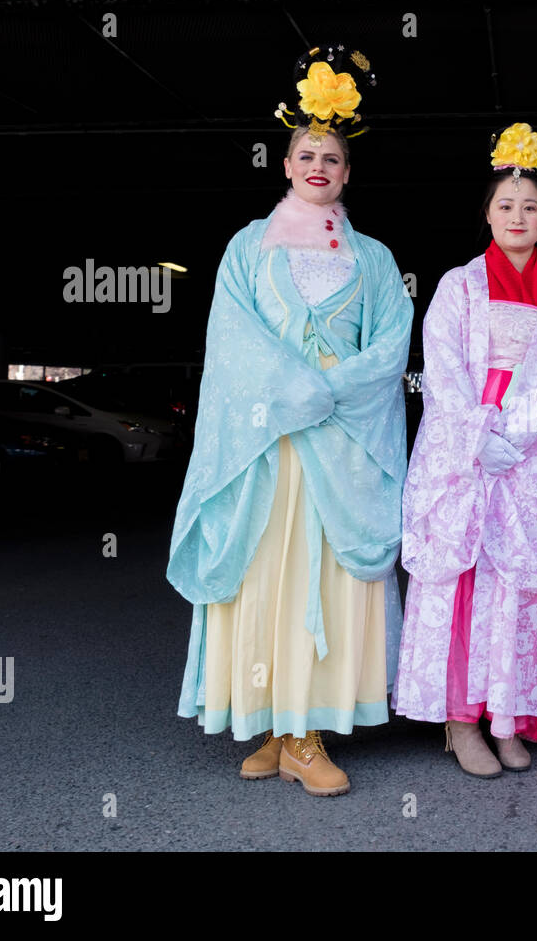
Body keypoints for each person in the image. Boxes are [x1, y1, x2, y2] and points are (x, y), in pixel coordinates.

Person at [167, 45, 412, 796]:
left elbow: (393, 342)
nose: (318, 167)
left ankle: (307, 732)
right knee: (267, 574)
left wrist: (332, 386)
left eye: (331, 159)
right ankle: (277, 723)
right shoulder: (247, 248)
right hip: (266, 448)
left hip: (339, 450)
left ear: (347, 172)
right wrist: (290, 388)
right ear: (285, 165)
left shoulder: (373, 259)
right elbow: (232, 341)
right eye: (306, 155)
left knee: (322, 572)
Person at [394, 123, 537, 778]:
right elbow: (443, 368)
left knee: (520, 588)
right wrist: (482, 434)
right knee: (466, 582)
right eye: (505, 206)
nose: (517, 216)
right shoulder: (458, 285)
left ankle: (509, 714)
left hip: (531, 453)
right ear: (487, 213)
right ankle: (461, 719)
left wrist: (525, 434)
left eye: (530, 206)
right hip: (469, 450)